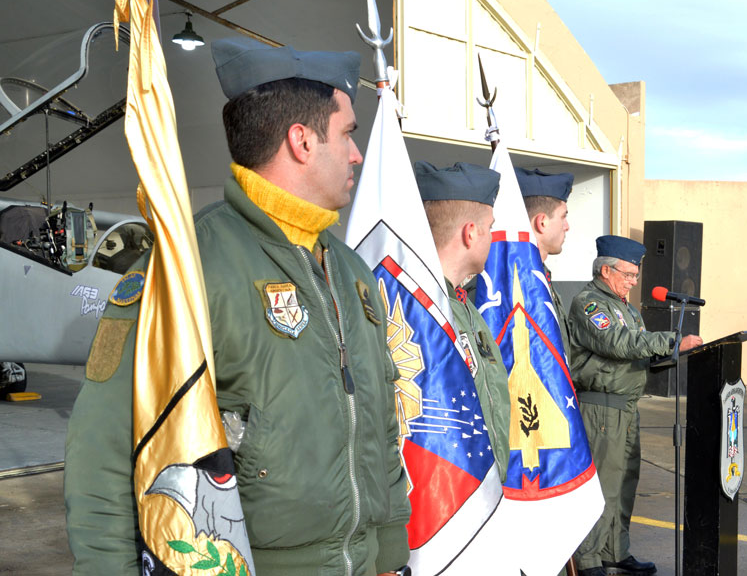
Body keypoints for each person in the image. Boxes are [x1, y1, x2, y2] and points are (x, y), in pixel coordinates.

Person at [64, 37, 411, 575]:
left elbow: (381, 427)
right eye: (347, 134)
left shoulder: (352, 274)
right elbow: (103, 453)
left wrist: (389, 554)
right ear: (301, 140)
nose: (356, 154)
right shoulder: (186, 270)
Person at [570, 235, 702, 576]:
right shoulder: (589, 304)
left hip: (626, 407)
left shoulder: (627, 309)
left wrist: (672, 354)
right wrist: (671, 340)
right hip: (601, 408)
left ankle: (615, 551)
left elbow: (636, 353)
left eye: (635, 276)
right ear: (605, 270)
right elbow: (617, 342)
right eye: (628, 274)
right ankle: (588, 560)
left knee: (625, 481)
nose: (633, 282)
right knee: (602, 484)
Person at [414, 160, 511, 481]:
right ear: (471, 233)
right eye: (491, 228)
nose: (493, 238)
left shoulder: (464, 306)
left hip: (481, 485)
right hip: (449, 491)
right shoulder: (420, 310)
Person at [514, 166, 574, 359]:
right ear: (542, 222)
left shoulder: (542, 275)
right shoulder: (507, 280)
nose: (567, 226)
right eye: (563, 216)